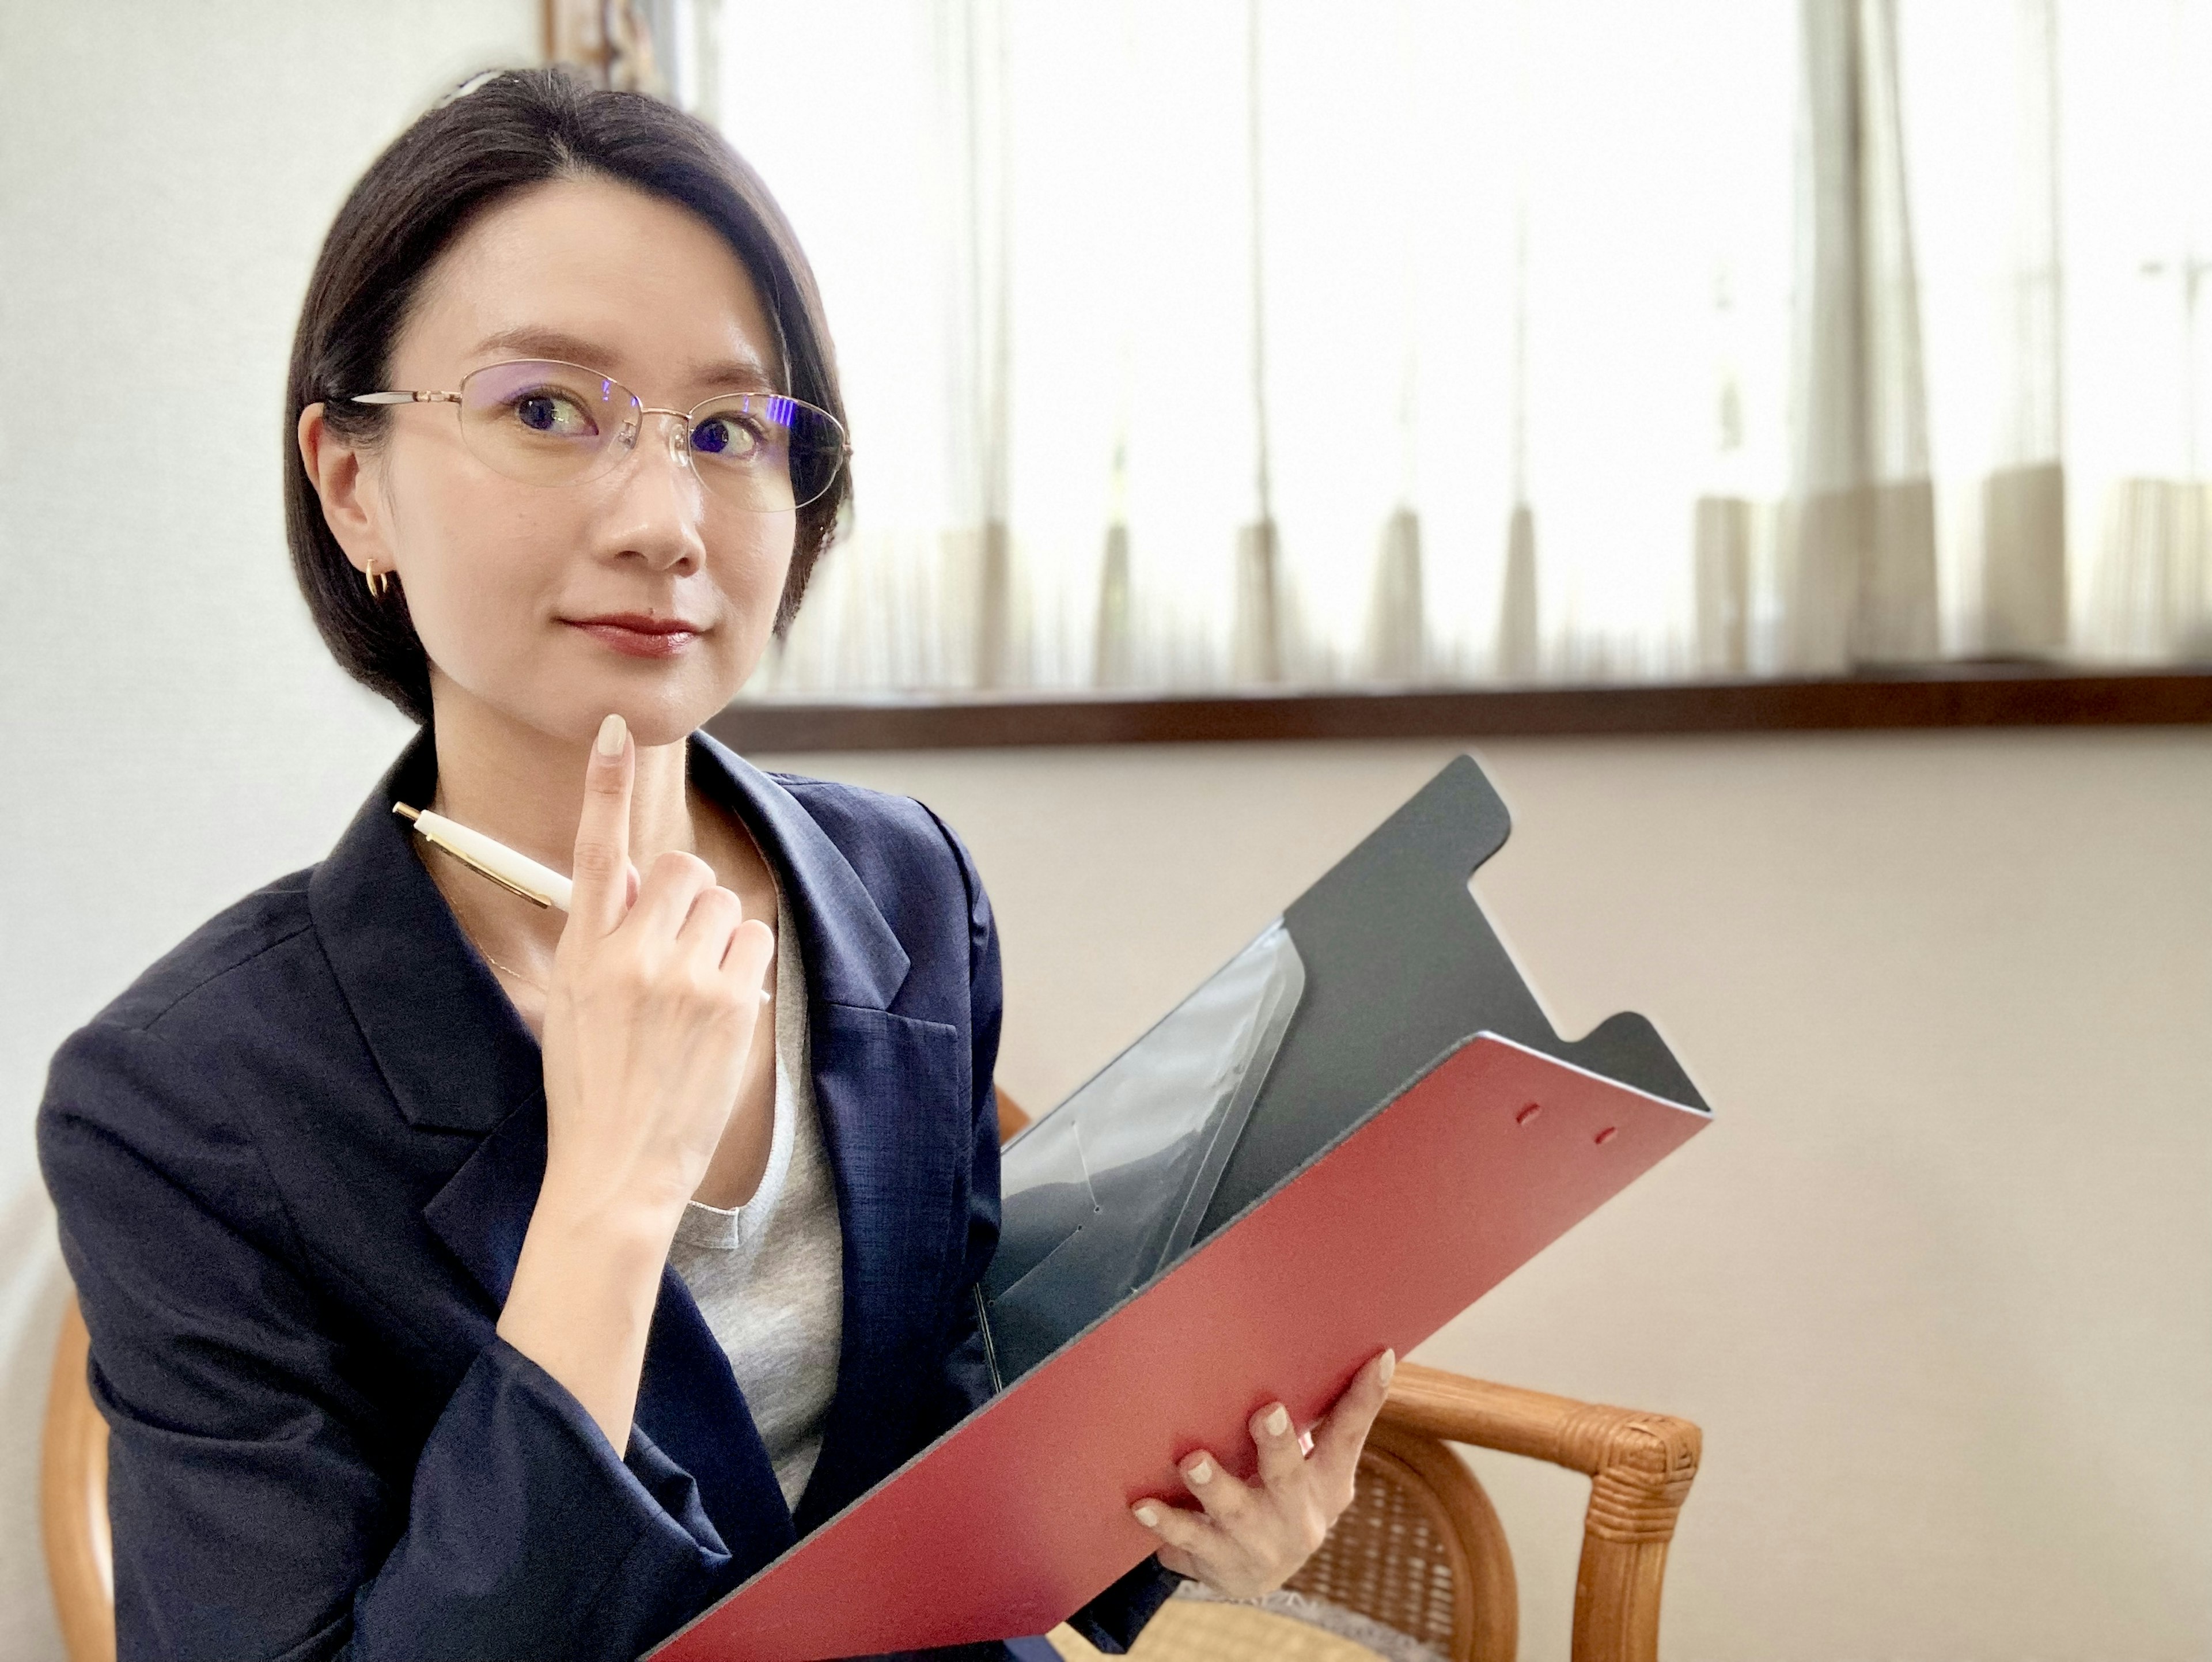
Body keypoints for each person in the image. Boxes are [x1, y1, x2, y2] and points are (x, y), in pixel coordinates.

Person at [36, 67, 1392, 1662]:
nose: (666, 520)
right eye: (546, 408)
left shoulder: (901, 887)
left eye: (732, 429)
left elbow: (946, 1405)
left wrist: (1183, 1498)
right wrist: (605, 1204)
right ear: (354, 482)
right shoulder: (181, 1106)